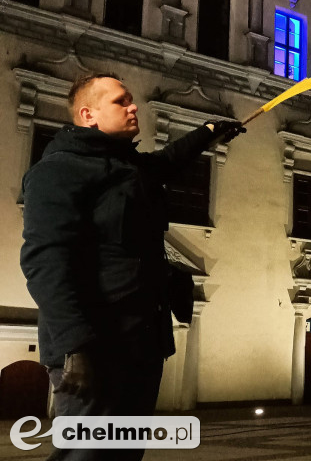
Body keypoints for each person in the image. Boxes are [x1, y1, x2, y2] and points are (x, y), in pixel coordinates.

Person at [20, 72, 245, 459]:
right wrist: (75, 347)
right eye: (121, 101)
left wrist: (208, 131)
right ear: (88, 115)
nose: (133, 106)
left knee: (124, 454)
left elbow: (166, 162)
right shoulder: (59, 170)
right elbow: (46, 262)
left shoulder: (128, 167)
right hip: (96, 346)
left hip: (141, 343)